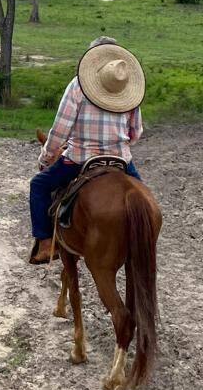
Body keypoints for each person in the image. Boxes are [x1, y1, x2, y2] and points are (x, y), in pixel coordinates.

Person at [28, 36, 145, 264]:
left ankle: (44, 243)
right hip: (120, 160)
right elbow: (136, 133)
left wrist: (46, 157)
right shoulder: (129, 87)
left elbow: (60, 131)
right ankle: (145, 240)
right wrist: (117, 145)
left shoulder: (78, 85)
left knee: (38, 185)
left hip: (79, 160)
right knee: (146, 201)